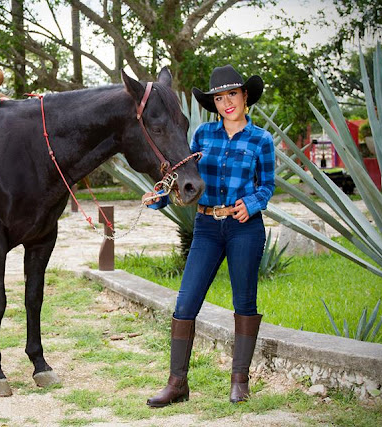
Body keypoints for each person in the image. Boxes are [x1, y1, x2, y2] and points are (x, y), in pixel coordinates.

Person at [144, 64, 275, 406]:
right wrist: (158, 199)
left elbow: (268, 185)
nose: (227, 102)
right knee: (185, 303)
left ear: (245, 96)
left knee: (244, 302)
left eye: (233, 94)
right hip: (205, 227)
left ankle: (239, 381)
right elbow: (182, 176)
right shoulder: (203, 135)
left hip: (244, 228)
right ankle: (177, 383)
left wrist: (253, 202)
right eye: (219, 98)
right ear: (213, 103)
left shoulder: (261, 139)